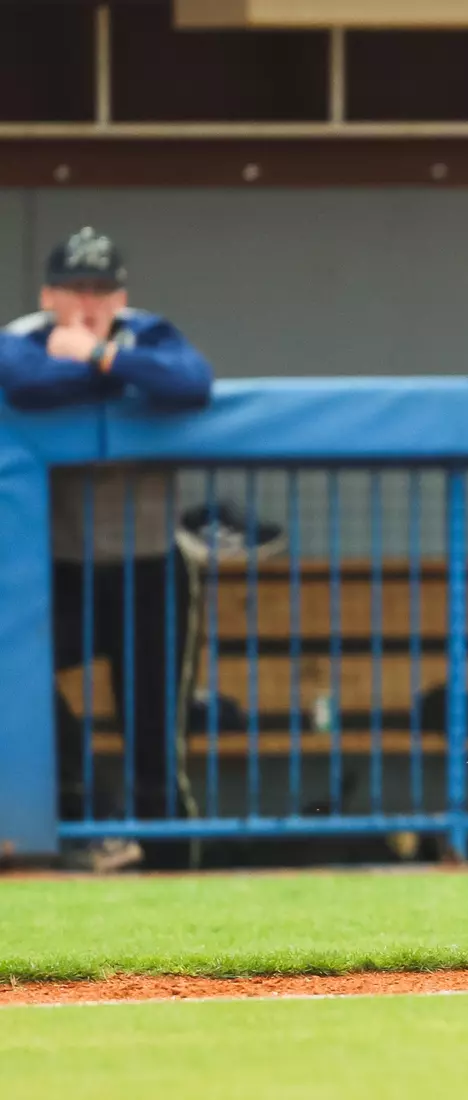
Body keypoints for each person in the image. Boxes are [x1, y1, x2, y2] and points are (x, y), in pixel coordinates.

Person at [0, 226, 213, 872]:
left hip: (151, 568)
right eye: (74, 290)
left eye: (101, 289)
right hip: (62, 572)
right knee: (16, 678)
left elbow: (190, 382)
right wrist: (114, 379)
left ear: (121, 295)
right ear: (49, 294)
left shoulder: (145, 332)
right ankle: (90, 812)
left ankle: (175, 867)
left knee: (155, 732)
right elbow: (24, 381)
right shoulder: (24, 334)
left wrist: (100, 358)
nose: (88, 302)